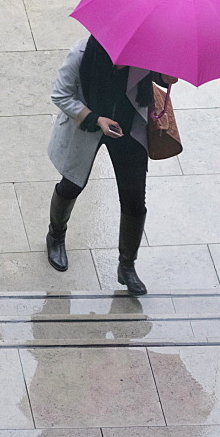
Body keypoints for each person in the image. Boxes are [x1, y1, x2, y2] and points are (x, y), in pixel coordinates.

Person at [46, 35, 176, 295]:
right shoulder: (82, 53)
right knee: (71, 185)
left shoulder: (143, 50)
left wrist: (166, 78)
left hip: (128, 129)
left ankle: (127, 266)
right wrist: (96, 119)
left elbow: (153, 78)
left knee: (134, 201)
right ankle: (56, 235)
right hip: (87, 126)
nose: (120, 64)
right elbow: (61, 95)